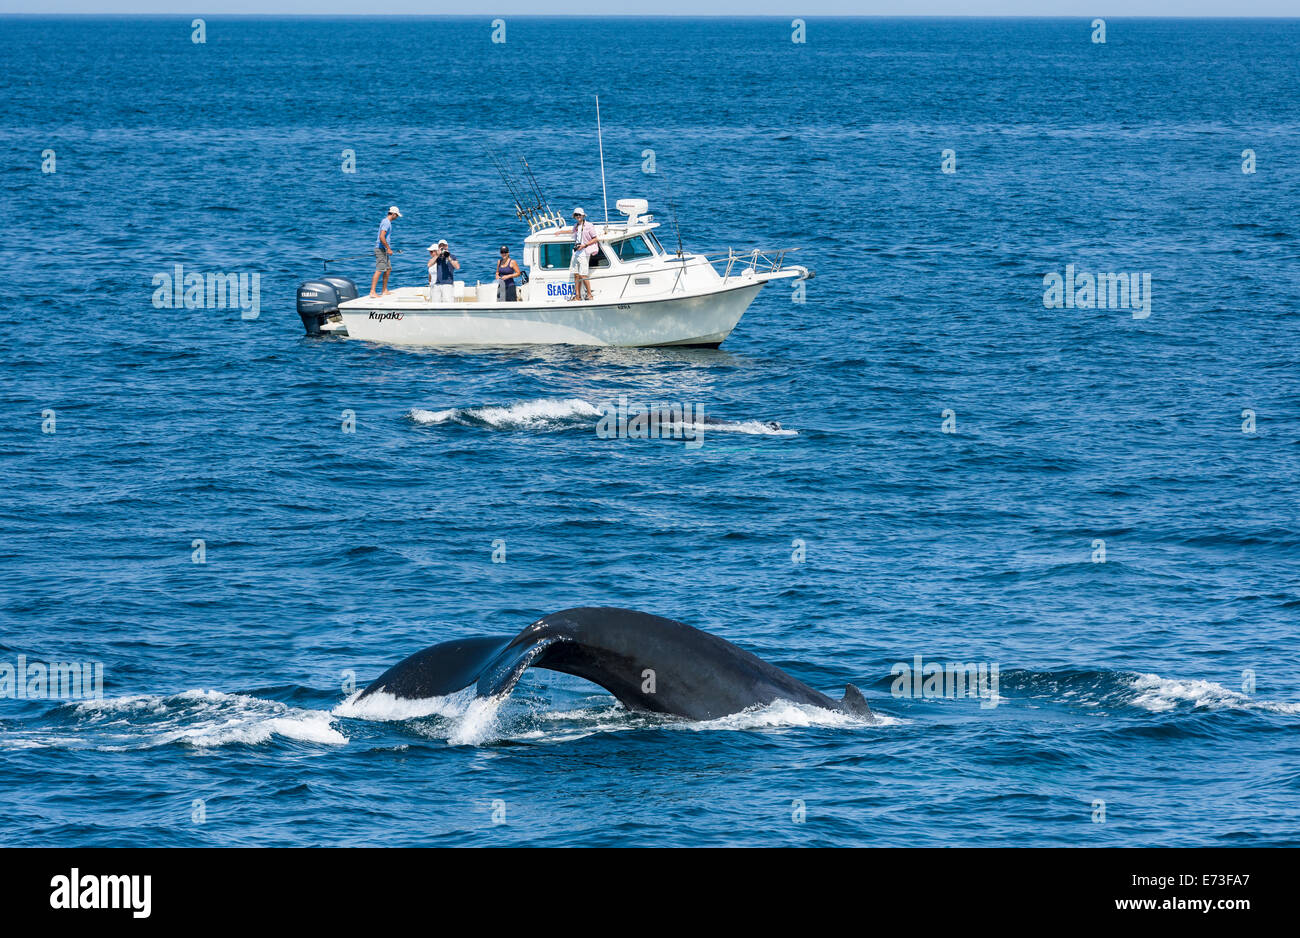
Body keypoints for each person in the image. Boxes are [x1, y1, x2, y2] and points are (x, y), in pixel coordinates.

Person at [562, 207, 598, 301]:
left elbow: (595, 238)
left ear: (583, 216)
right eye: (576, 215)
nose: (578, 216)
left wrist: (584, 245)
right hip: (576, 252)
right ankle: (577, 296)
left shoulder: (589, 226)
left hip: (584, 252)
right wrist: (560, 232)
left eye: (579, 215)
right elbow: (572, 232)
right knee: (576, 275)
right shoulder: (576, 226)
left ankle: (589, 295)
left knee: (583, 275)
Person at [370, 205, 401, 297]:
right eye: (397, 215)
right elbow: (381, 237)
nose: (397, 217)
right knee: (380, 269)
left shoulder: (387, 222)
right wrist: (388, 248)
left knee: (388, 269)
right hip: (381, 249)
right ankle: (372, 292)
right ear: (393, 214)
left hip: (384, 249)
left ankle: (384, 290)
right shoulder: (386, 222)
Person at [428, 238, 459, 304]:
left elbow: (457, 267)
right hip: (437, 283)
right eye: (440, 246)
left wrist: (449, 258)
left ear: (447, 246)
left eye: (444, 245)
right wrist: (437, 255)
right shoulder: (437, 257)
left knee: (448, 302)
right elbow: (429, 264)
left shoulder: (452, 256)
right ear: (438, 247)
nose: (442, 247)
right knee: (435, 303)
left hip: (448, 283)